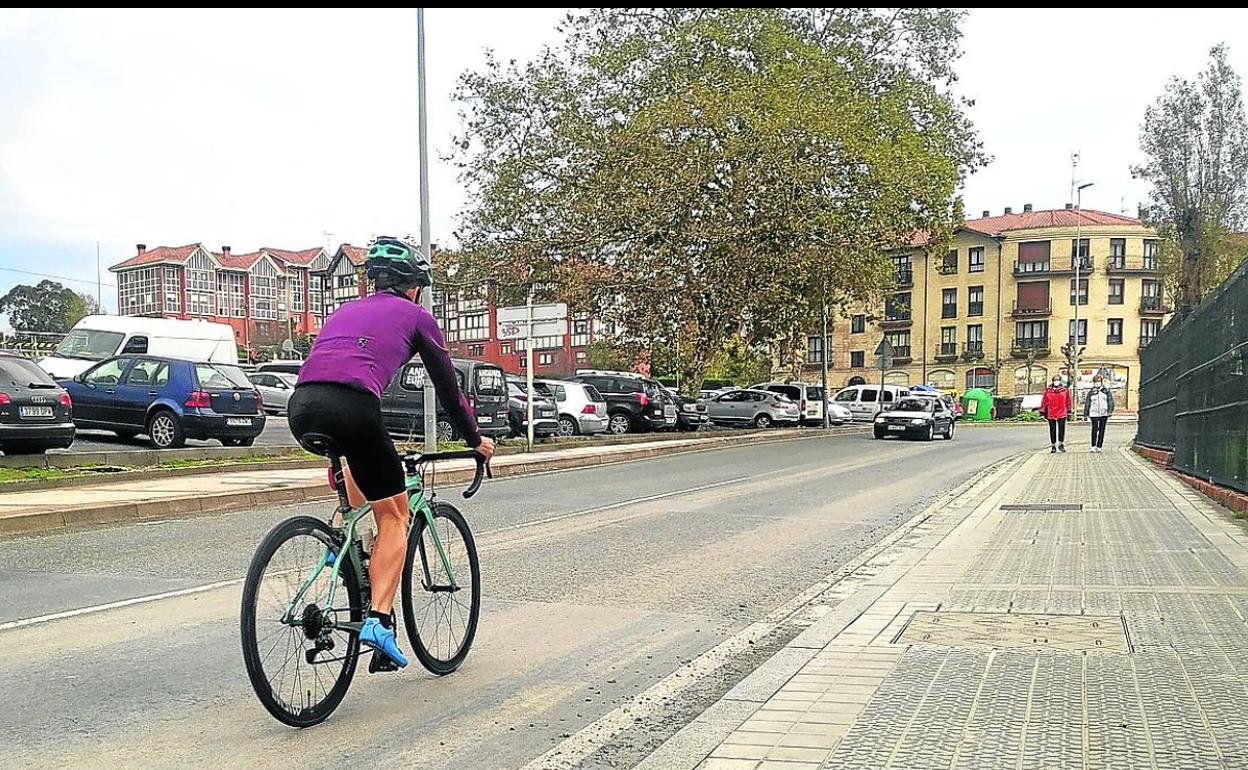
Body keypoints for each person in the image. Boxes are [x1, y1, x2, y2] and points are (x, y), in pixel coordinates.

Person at [286, 235, 496, 669]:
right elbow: (450, 391)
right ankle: (379, 621)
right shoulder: (417, 316)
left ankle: (343, 544)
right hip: (354, 409)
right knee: (395, 515)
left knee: (362, 483)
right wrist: (475, 439)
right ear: (414, 285)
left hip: (302, 408)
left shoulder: (344, 311)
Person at [1038, 374, 1073, 453]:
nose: (1056, 382)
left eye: (1057, 380)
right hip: (1051, 412)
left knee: (1061, 429)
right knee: (1052, 430)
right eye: (1055, 380)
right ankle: (1053, 445)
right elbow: (1044, 401)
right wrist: (1042, 411)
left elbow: (1068, 401)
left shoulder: (1065, 390)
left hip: (1062, 412)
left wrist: (1069, 410)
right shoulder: (1048, 390)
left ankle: (1061, 444)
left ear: (1060, 381)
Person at [1083, 374, 1115, 452]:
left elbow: (1110, 401)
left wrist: (1110, 411)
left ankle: (1099, 446)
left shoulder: (1106, 391)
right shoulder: (1091, 392)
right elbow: (1087, 403)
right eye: (1096, 381)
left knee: (1102, 430)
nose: (1097, 383)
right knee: (1094, 429)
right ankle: (1093, 446)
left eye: (1099, 381)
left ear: (1101, 382)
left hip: (1104, 413)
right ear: (1093, 382)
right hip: (1093, 413)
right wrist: (1085, 414)